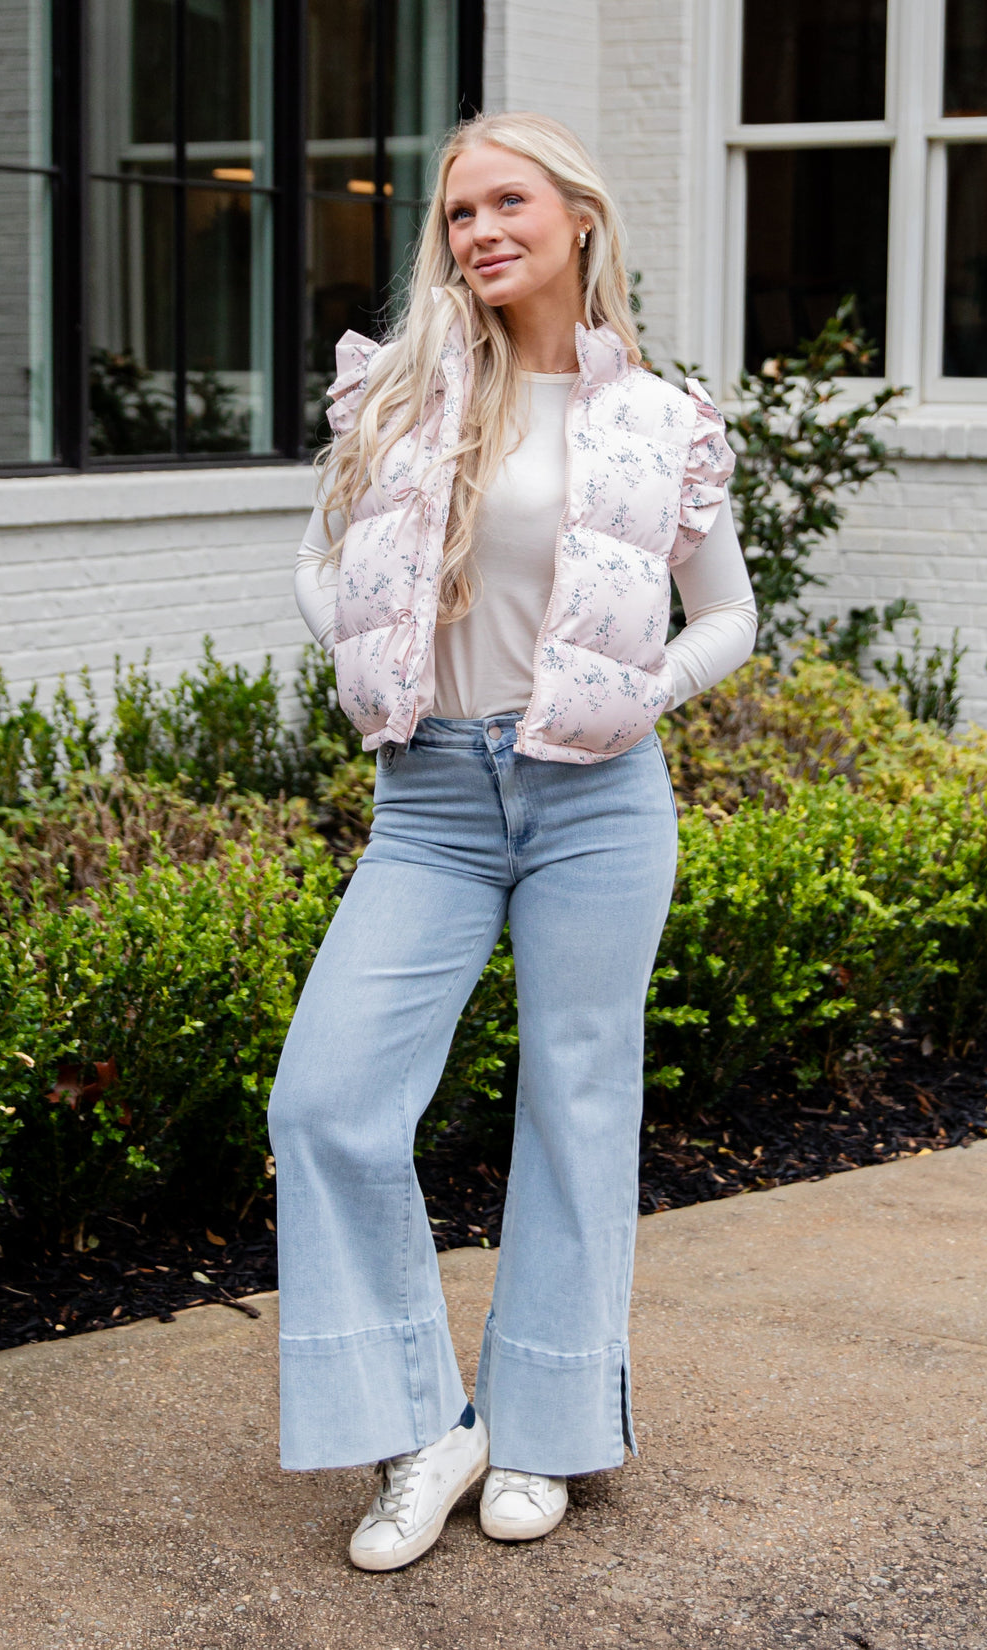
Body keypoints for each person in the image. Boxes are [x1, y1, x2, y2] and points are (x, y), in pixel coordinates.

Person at [267, 109, 757, 1574]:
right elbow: (314, 562)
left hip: (598, 801)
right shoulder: (400, 395)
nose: (477, 230)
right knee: (325, 1098)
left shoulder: (659, 418)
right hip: (430, 798)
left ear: (579, 218)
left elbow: (728, 611)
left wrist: (638, 690)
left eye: (505, 202)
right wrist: (369, 653)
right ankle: (425, 1423)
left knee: (578, 1105)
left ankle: (545, 1424)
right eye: (457, 212)